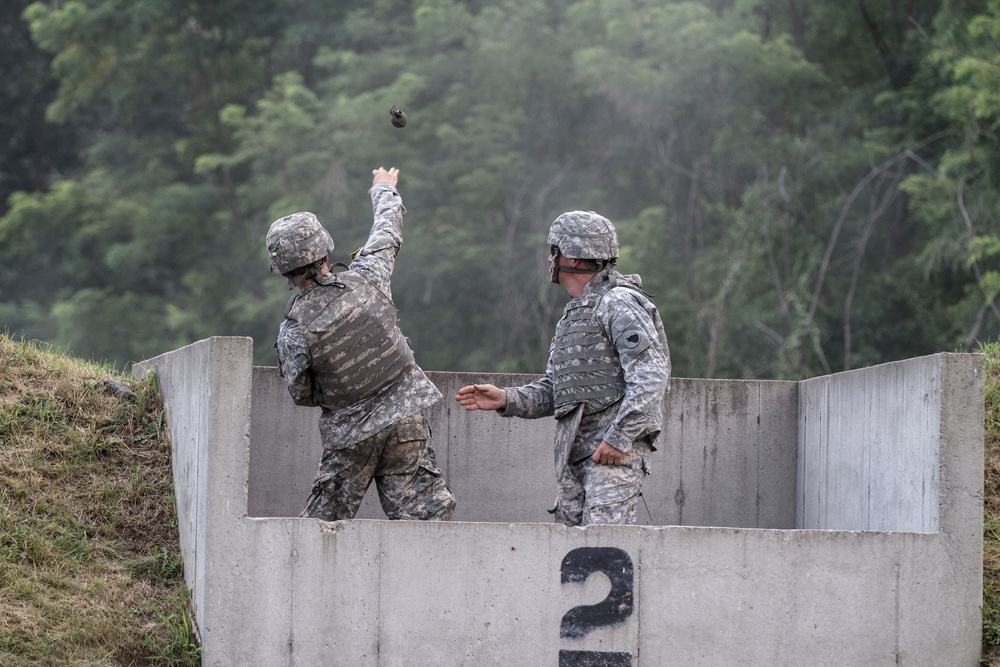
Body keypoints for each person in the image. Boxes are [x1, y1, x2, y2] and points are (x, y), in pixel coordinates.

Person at [455, 211, 670, 526]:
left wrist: (619, 438)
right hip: (577, 460)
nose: (549, 260)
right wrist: (505, 398)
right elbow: (558, 392)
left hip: (612, 456)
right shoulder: (575, 315)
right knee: (566, 563)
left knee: (604, 551)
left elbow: (651, 377)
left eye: (554, 252)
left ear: (574, 258)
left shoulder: (618, 303)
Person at [266, 166, 456, 522]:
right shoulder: (368, 277)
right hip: (406, 422)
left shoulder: (293, 330)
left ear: (284, 270)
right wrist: (383, 187)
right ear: (325, 252)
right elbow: (388, 229)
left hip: (350, 437)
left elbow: (300, 393)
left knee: (322, 528)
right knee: (426, 524)